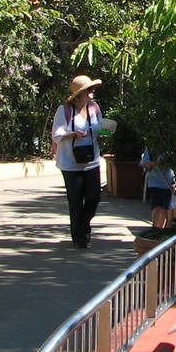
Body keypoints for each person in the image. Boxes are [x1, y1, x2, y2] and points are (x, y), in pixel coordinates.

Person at [52, 74, 111, 248]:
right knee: (76, 200)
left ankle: (83, 225)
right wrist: (73, 134)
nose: (92, 92)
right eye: (89, 90)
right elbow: (56, 134)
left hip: (91, 159)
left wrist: (106, 131)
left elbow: (99, 127)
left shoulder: (94, 108)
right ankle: (79, 236)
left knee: (94, 197)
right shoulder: (64, 111)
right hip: (70, 162)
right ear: (80, 93)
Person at [140, 148, 176, 231]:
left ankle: (160, 230)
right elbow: (144, 163)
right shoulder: (150, 148)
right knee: (157, 207)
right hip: (154, 182)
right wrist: (156, 163)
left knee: (164, 208)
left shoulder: (171, 146)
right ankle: (155, 229)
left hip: (168, 182)